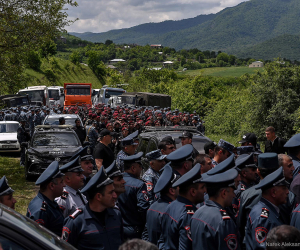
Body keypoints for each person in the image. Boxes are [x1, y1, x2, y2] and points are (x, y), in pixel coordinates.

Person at [62, 167, 123, 250]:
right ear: (98, 196)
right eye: (111, 192)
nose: (115, 196)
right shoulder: (77, 221)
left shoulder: (116, 214)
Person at [191, 168, 240, 250]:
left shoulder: (197, 212)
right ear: (224, 193)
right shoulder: (223, 221)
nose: (234, 195)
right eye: (232, 191)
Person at [161, 163, 206, 250]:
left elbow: (162, 240)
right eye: (202, 187)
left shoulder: (171, 205)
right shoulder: (188, 214)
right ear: (193, 191)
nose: (205, 190)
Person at [245, 167, 290, 250]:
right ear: (273, 192)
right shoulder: (263, 218)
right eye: (284, 188)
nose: (287, 192)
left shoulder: (269, 210)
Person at [26, 161, 65, 236]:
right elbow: (39, 239)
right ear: (52, 186)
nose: (64, 185)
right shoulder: (41, 211)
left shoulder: (49, 202)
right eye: (61, 182)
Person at [117, 152, 150, 239]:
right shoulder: (139, 184)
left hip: (119, 228)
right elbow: (143, 208)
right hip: (135, 230)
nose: (141, 170)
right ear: (133, 168)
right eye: (140, 167)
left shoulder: (117, 182)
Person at [146, 164, 180, 248]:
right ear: (172, 191)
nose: (181, 188)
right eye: (179, 186)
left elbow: (145, 234)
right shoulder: (171, 210)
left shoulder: (153, 206)